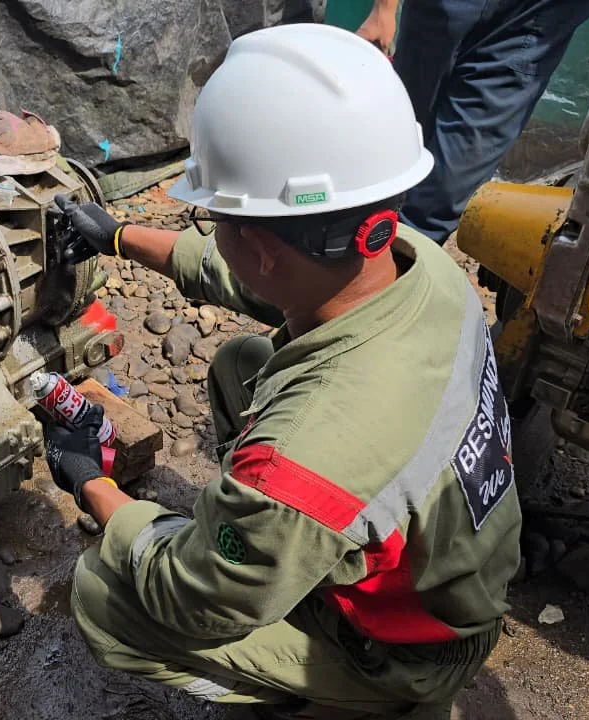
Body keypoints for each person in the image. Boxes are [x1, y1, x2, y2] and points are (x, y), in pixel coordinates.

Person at [42, 23, 522, 720]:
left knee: (105, 597)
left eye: (217, 218)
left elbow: (187, 593)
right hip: (452, 560)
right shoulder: (419, 264)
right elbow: (248, 275)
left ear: (263, 247)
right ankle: (289, 561)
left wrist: (93, 483)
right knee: (244, 363)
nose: (211, 231)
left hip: (408, 649)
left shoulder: (303, 453)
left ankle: (313, 700)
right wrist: (115, 235)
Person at [355, 0, 589, 244]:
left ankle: (400, 253)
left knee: (445, 185)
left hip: (539, 13)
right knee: (400, 131)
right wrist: (384, 10)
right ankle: (360, 232)